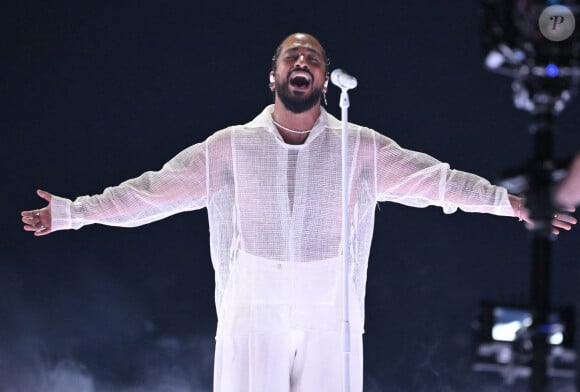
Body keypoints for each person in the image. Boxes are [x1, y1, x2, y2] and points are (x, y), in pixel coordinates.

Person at [21, 33, 576, 392]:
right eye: (293, 55)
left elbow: (438, 182)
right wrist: (74, 213)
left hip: (328, 316)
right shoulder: (230, 147)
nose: (303, 61)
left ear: (326, 80)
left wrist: (510, 204)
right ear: (274, 76)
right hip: (252, 317)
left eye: (313, 56)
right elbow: (151, 194)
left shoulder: (358, 147)